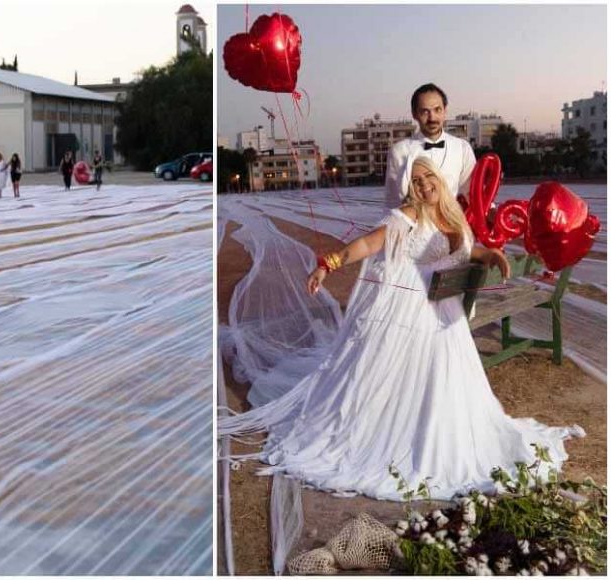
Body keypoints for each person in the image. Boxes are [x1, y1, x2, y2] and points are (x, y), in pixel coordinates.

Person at [220, 154, 583, 501]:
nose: (424, 186)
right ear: (410, 188)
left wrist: (488, 254)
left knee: (446, 383)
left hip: (445, 314)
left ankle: (444, 435)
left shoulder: (450, 214)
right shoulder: (405, 217)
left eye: (429, 178)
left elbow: (463, 249)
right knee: (399, 385)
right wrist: (327, 264)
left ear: (439, 181)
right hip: (411, 308)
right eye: (416, 181)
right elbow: (366, 243)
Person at [385, 83, 476, 208]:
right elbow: (392, 202)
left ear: (445, 111)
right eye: (425, 112)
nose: (432, 118)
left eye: (437, 110)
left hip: (453, 225)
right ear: (414, 114)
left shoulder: (462, 148)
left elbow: (474, 193)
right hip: (416, 226)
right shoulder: (400, 151)